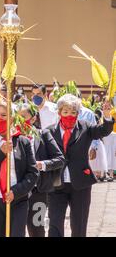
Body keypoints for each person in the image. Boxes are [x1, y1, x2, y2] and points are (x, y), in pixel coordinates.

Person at [46, 94, 114, 237]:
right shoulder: (49, 131)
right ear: (59, 113)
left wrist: (107, 116)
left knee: (79, 225)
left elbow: (103, 130)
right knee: (55, 224)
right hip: (57, 184)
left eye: (73, 112)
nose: (69, 115)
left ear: (78, 113)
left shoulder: (85, 127)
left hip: (81, 184)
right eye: (65, 112)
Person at [0, 102, 39, 237]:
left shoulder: (23, 141)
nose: (0, 119)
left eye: (4, 115)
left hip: (18, 199)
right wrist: (0, 152)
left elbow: (33, 173)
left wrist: (16, 192)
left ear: (11, 118)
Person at [16, 103, 65, 237]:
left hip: (39, 192)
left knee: (37, 228)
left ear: (33, 119)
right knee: (16, 229)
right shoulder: (11, 137)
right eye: (17, 117)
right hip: (16, 191)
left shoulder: (43, 135)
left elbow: (60, 159)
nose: (20, 121)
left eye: (23, 117)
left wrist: (41, 165)